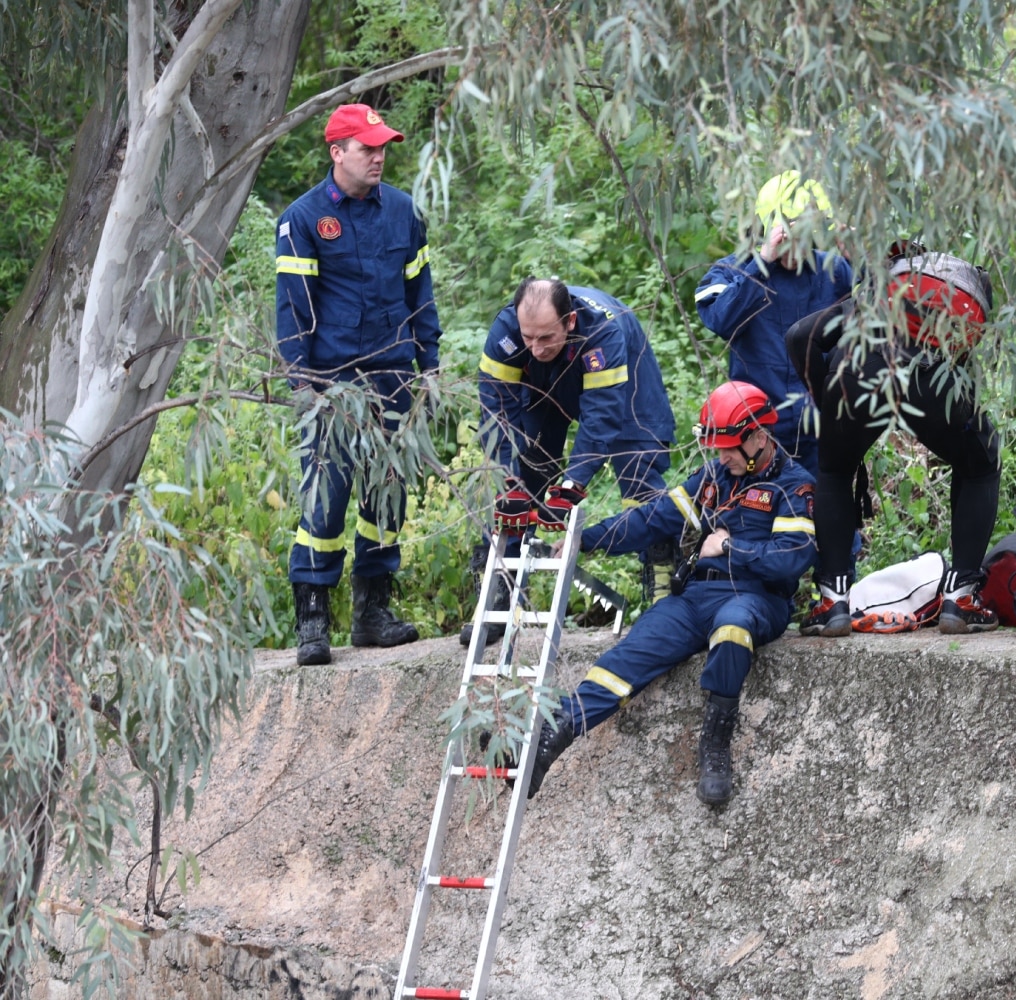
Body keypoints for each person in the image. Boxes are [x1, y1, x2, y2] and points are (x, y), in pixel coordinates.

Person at [514, 381, 816, 806]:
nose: (722, 457)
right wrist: (586, 539)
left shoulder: (794, 486)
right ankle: (553, 735)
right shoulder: (714, 478)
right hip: (696, 596)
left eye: (728, 448)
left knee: (733, 627)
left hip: (757, 597)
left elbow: (791, 559)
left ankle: (715, 744)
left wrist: (730, 547)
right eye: (717, 449)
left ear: (759, 437)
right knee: (635, 649)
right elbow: (653, 519)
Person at [275, 103, 441, 666]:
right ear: (337, 153)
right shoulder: (303, 219)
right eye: (368, 148)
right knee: (326, 497)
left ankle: (372, 612)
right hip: (331, 382)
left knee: (386, 494)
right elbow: (293, 311)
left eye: (383, 147)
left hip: (393, 374)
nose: (379, 157)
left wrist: (431, 366)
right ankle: (313, 619)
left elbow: (421, 296)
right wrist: (303, 384)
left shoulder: (403, 212)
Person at [789, 248, 1002, 637]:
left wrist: (826, 403)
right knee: (980, 466)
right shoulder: (954, 301)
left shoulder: (871, 301)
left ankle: (832, 603)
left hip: (854, 373)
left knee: (835, 471)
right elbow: (967, 369)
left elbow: (800, 336)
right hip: (933, 380)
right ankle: (962, 598)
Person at [466, 278, 677, 645]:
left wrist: (570, 487)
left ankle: (664, 598)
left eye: (545, 337)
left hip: (625, 382)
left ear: (570, 321)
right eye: (528, 337)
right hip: (543, 386)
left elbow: (600, 421)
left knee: (638, 470)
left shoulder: (604, 333)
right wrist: (509, 482)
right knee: (525, 467)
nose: (535, 347)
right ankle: (501, 594)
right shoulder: (507, 334)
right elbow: (496, 418)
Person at [694, 171, 854, 474]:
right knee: (757, 503)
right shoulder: (735, 271)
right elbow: (720, 320)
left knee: (821, 501)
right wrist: (762, 264)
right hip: (758, 435)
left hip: (820, 431)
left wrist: (861, 257)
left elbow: (885, 310)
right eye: (790, 239)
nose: (797, 250)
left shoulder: (833, 269)